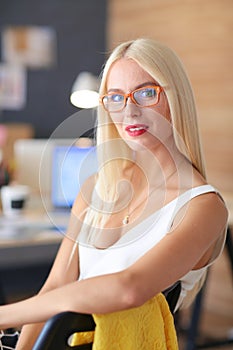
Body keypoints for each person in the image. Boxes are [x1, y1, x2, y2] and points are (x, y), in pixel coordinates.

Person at [0, 38, 228, 349]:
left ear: (176, 98)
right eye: (116, 97)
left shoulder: (203, 206)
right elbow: (55, 287)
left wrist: (5, 314)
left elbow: (128, 288)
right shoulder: (97, 186)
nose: (129, 111)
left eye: (146, 93)